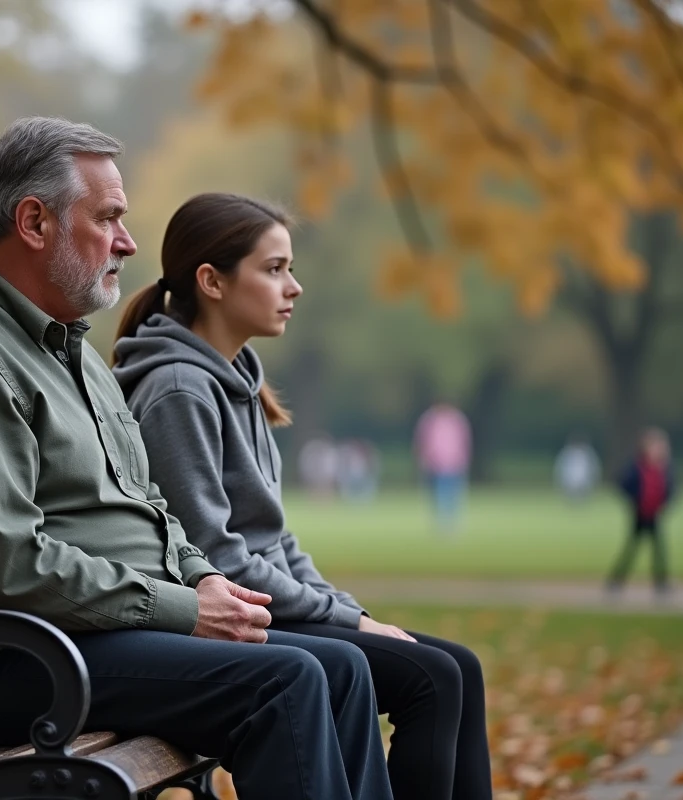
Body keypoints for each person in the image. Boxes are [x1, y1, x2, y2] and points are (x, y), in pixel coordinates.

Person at [0, 120, 392, 800]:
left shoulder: (72, 352)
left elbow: (149, 507)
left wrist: (205, 580)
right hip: (20, 661)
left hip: (93, 636)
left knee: (344, 669)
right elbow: (9, 563)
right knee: (285, 682)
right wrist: (183, 608)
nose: (128, 241)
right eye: (108, 217)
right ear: (34, 223)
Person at [111, 193, 491, 800]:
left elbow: (277, 538)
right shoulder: (179, 389)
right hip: (234, 614)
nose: (294, 286)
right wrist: (348, 620)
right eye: (274, 269)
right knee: (433, 677)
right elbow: (218, 557)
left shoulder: (237, 376)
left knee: (459, 667)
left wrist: (349, 611)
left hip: (274, 604)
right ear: (212, 281)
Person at [606, 427, 676, 594]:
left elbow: (669, 489)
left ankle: (661, 583)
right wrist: (635, 500)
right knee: (632, 548)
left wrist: (665, 503)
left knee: (659, 550)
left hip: (654, 514)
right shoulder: (637, 467)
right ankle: (616, 580)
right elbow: (623, 484)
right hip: (640, 514)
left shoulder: (663, 468)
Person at [413, 403, 473, 532]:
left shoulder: (456, 419)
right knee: (438, 494)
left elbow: (464, 441)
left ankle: (450, 523)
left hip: (454, 463)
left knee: (452, 494)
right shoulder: (430, 419)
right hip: (435, 464)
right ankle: (442, 523)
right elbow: (422, 441)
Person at [554, 435, 601, 503]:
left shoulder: (588, 453)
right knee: (573, 495)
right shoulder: (567, 453)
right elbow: (562, 467)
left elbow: (593, 468)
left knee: (581, 495)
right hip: (570, 480)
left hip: (584, 481)